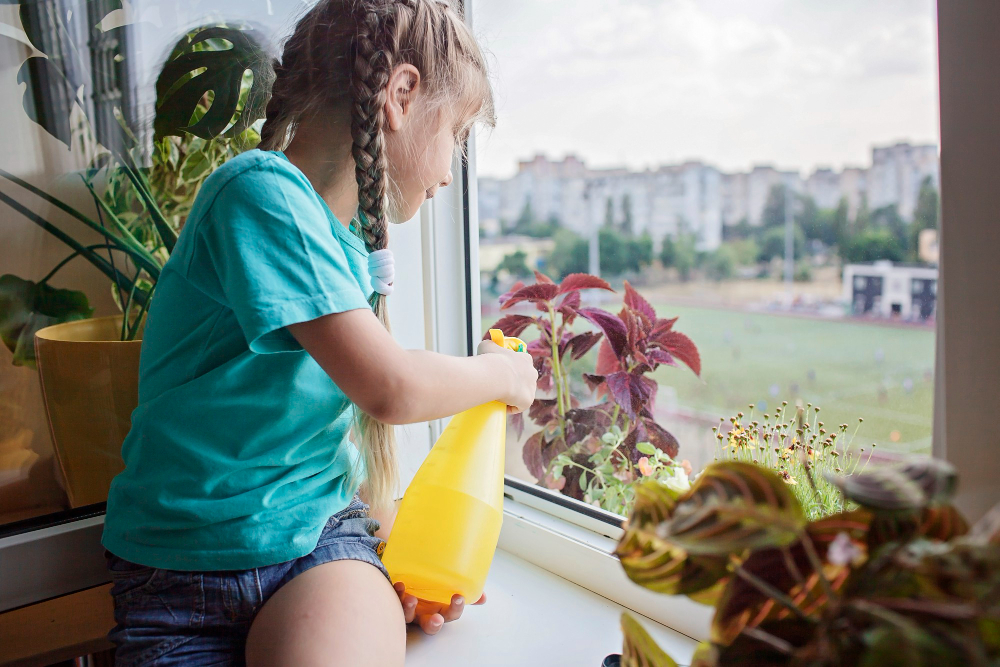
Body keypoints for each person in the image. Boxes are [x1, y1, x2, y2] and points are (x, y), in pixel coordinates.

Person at [100, 1, 537, 664]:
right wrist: (502, 376)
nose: (453, 171)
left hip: (320, 546)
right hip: (180, 571)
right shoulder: (258, 193)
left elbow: (311, 433)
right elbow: (388, 386)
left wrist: (400, 560)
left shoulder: (342, 246)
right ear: (402, 95)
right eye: (459, 133)